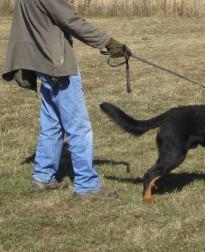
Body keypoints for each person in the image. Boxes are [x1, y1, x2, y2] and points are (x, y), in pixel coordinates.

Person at [2, 0, 127, 198]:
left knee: (52, 123)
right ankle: (86, 185)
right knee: (79, 127)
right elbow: (71, 20)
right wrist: (107, 42)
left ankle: (43, 176)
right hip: (57, 64)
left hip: (42, 62)